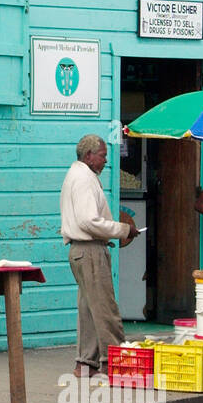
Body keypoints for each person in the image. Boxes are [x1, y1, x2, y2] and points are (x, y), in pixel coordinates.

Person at [60, 134, 138, 378]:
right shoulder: (84, 178)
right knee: (105, 308)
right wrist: (122, 230)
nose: (106, 161)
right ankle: (116, 363)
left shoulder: (77, 175)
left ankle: (85, 364)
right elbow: (89, 221)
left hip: (81, 250)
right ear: (89, 156)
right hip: (89, 249)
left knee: (89, 308)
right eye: (103, 156)